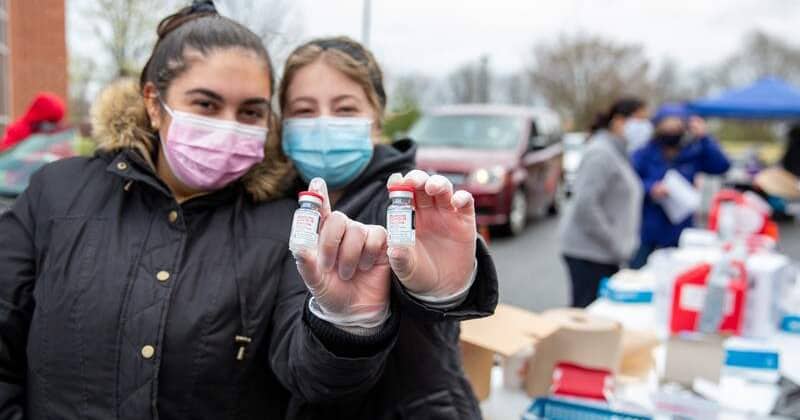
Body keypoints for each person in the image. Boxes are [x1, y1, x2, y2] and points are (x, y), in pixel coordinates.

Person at [0, 3, 417, 418]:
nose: (228, 125)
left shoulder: (284, 226)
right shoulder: (57, 193)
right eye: (206, 104)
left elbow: (309, 377)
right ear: (153, 102)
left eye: (250, 111)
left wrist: (343, 325)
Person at [278, 37, 498, 419]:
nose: (325, 124)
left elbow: (438, 296)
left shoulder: (409, 197)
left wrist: (447, 289)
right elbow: (291, 358)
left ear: (376, 118)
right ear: (282, 121)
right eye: (304, 110)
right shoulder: (276, 205)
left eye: (345, 109)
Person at [560, 98, 646, 308]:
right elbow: (585, 205)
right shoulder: (601, 153)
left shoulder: (618, 152)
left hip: (604, 253)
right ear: (619, 121)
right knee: (588, 316)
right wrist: (616, 244)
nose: (645, 127)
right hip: (590, 253)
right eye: (640, 120)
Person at [630, 104, 731, 268]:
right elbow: (630, 182)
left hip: (681, 229)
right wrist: (650, 188)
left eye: (676, 125)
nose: (671, 130)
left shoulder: (693, 151)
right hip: (649, 229)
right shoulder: (644, 153)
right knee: (638, 272)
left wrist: (704, 138)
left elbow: (721, 166)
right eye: (667, 125)